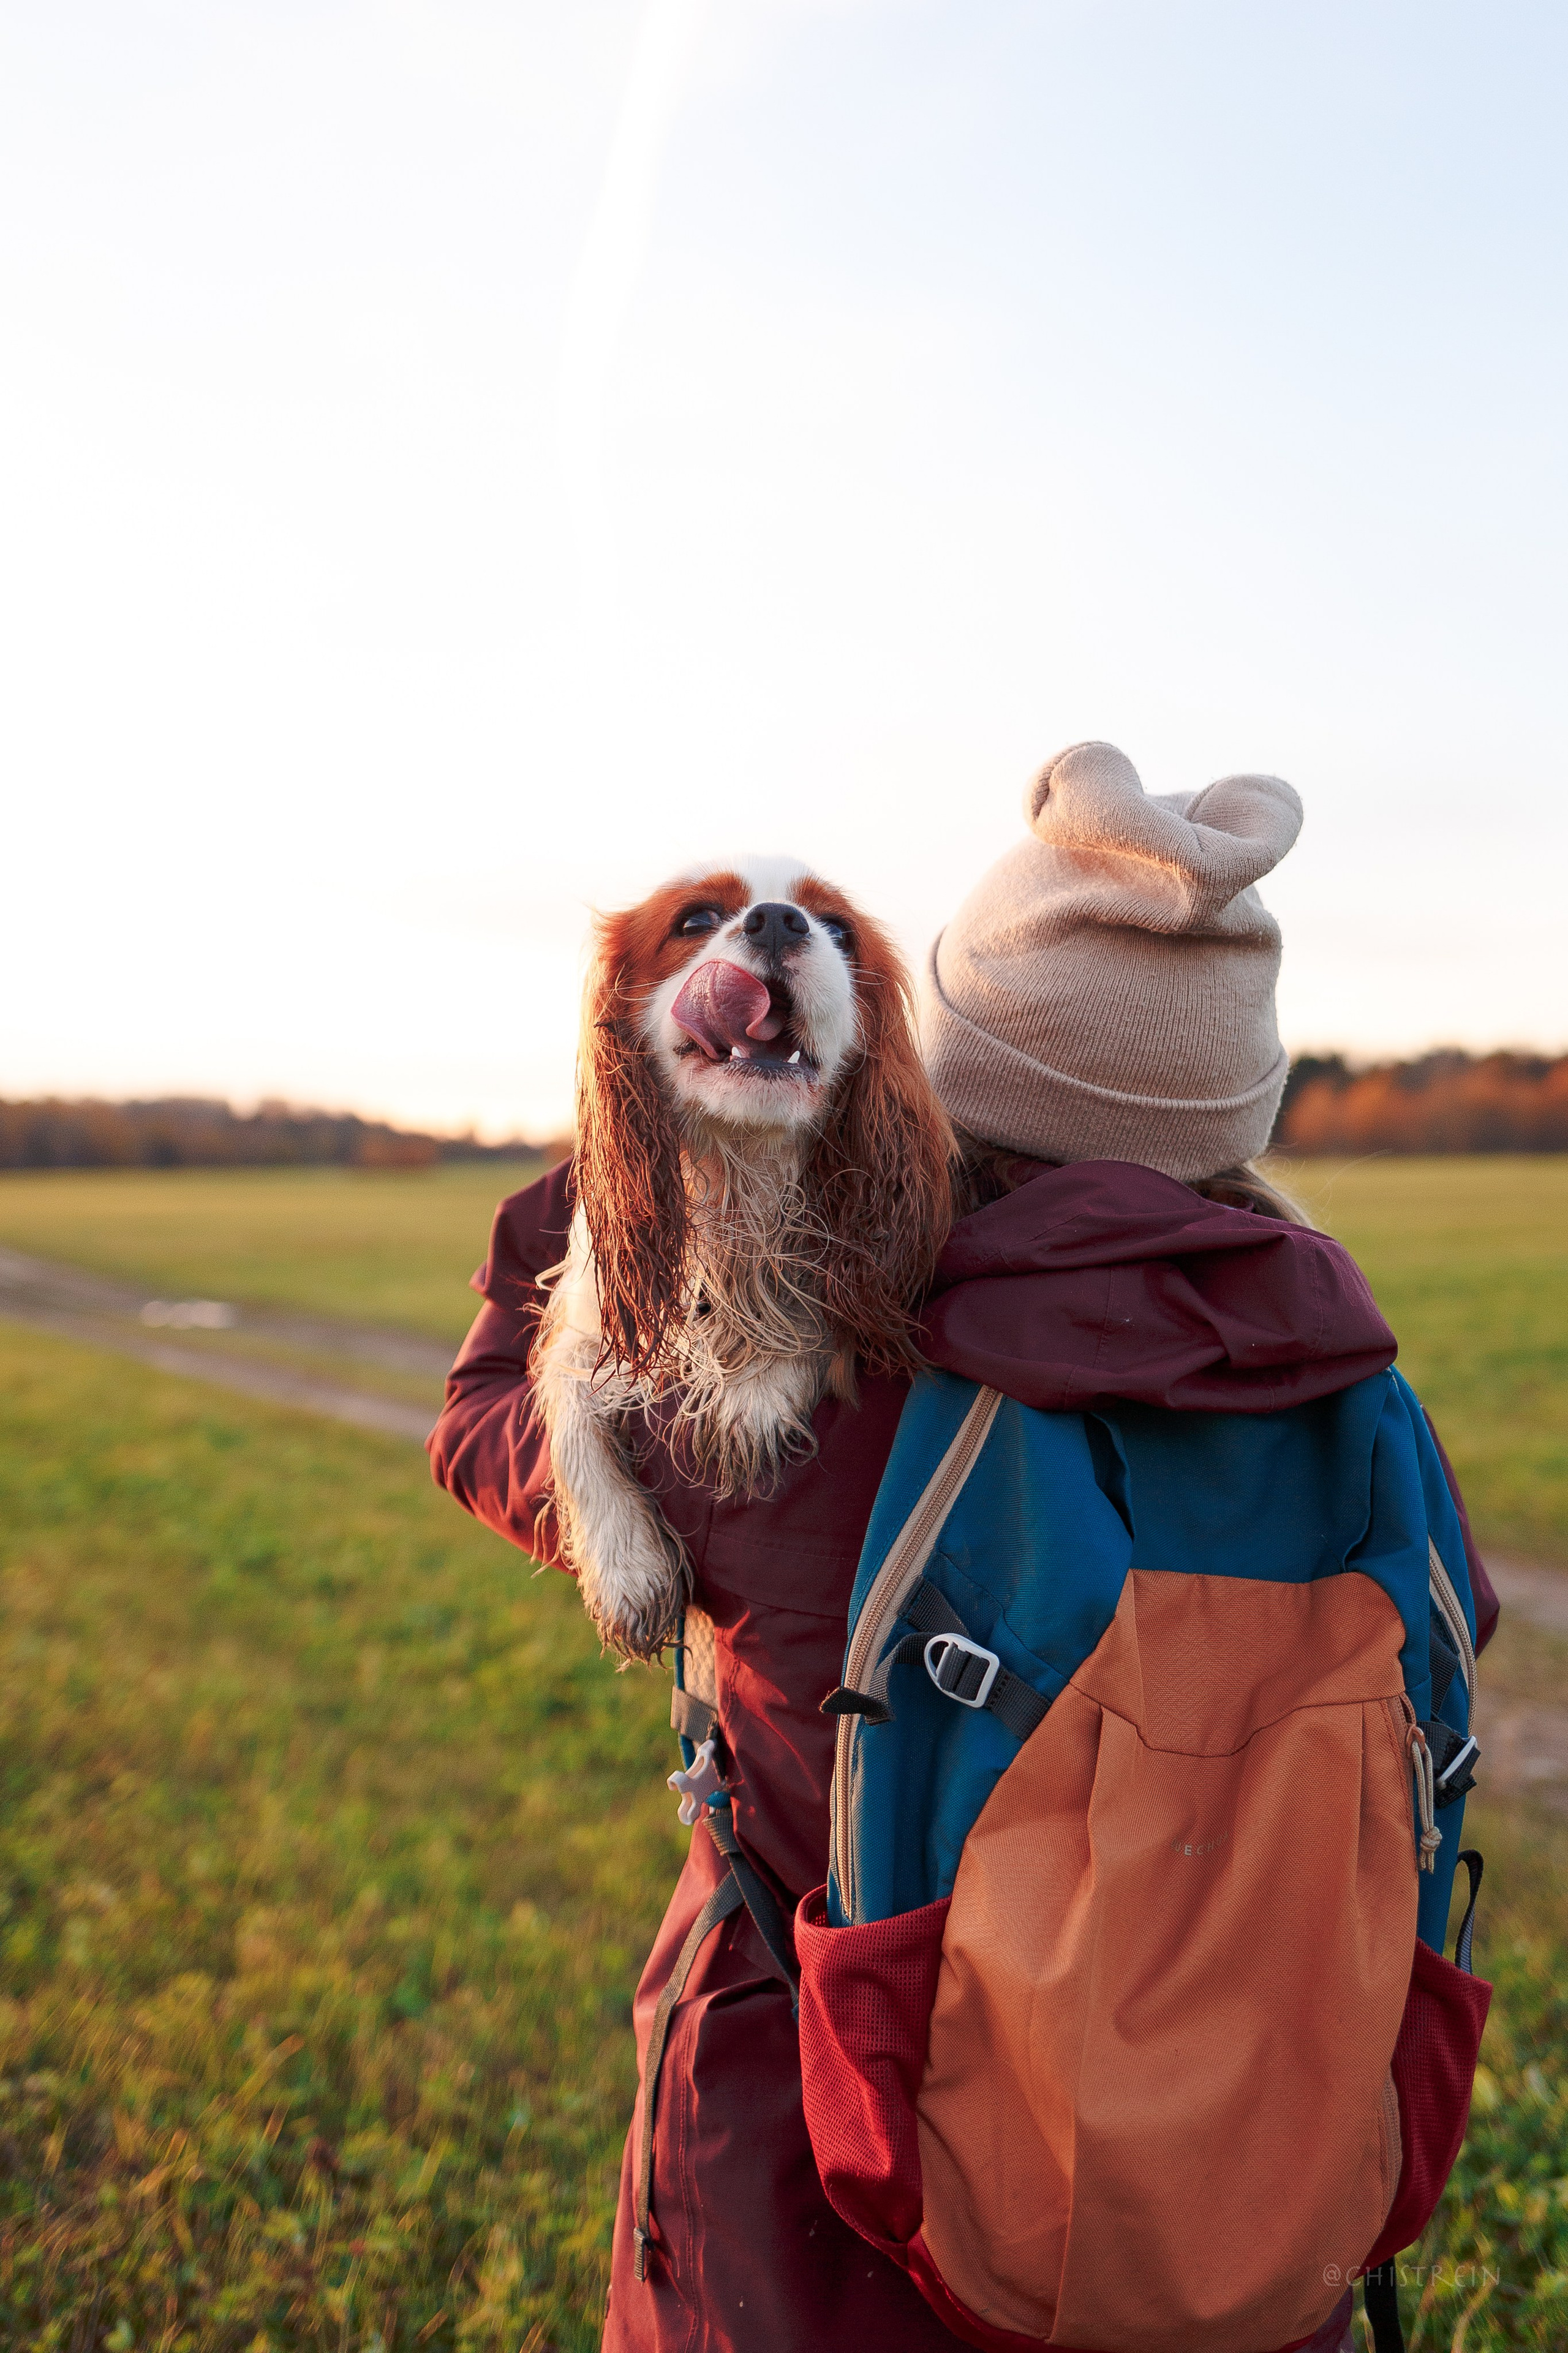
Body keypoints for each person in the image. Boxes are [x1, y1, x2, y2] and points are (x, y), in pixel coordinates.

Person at [428, 741, 1496, 2353]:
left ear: (955, 1063)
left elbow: (489, 1418)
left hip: (839, 2179)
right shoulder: (1351, 1385)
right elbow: (1454, 1630)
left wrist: (646, 1107)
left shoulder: (811, 1396)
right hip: (1246, 2163)